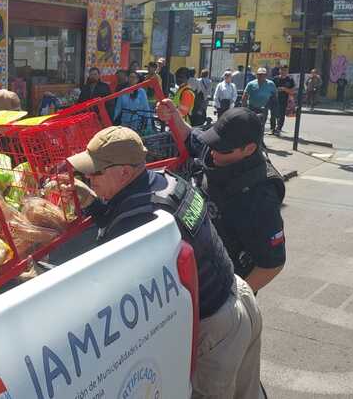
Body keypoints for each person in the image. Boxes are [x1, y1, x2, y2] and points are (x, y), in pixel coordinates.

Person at [66, 126, 264, 399]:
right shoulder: (164, 181)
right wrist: (93, 201)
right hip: (236, 295)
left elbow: (110, 283)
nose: (88, 177)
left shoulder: (141, 218)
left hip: (216, 328)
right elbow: (136, 210)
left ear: (124, 171)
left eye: (95, 172)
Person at [157, 102, 286, 293]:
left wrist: (234, 298)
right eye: (213, 143)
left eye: (223, 149)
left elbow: (272, 265)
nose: (214, 152)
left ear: (249, 149)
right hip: (196, 268)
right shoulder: (218, 148)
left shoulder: (260, 197)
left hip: (223, 286)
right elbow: (190, 135)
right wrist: (174, 116)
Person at [271, 65, 295, 135]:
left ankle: (279, 129)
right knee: (273, 115)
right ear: (279, 71)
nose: (283, 72)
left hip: (284, 101)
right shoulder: (275, 79)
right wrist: (276, 90)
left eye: (285, 70)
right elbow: (271, 89)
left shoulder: (290, 80)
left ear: (287, 71)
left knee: (281, 116)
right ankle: (273, 128)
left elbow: (292, 91)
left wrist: (285, 89)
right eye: (282, 70)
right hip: (274, 100)